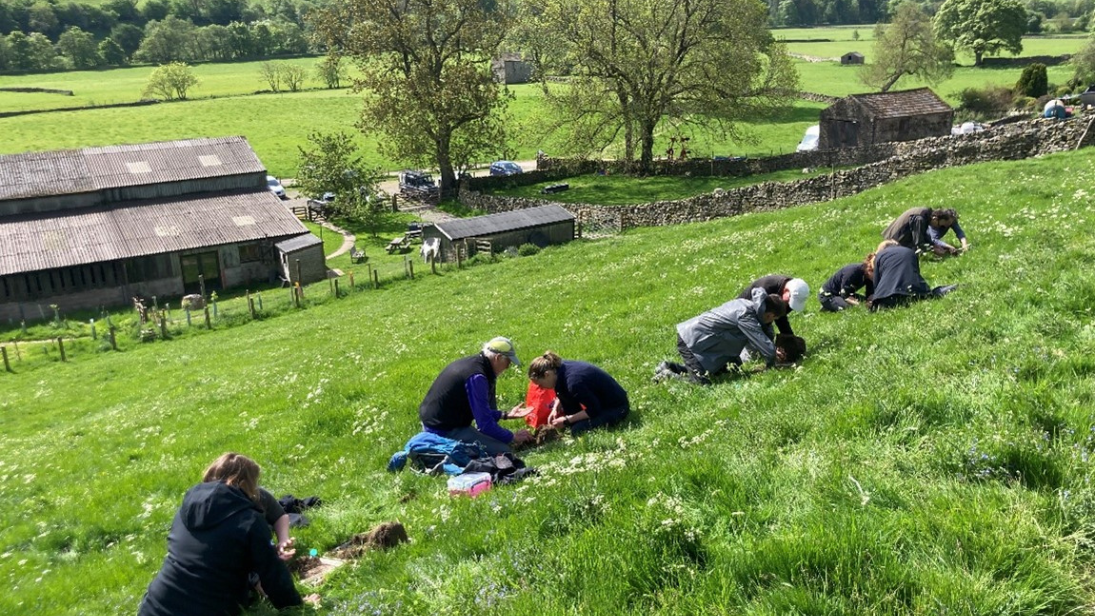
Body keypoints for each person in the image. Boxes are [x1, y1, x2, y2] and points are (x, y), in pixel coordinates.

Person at [138, 453, 317, 616]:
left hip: (154, 606)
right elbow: (273, 575)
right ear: (245, 484)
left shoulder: (184, 512)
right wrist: (296, 606)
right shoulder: (249, 520)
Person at [418, 337, 533, 454]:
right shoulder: (478, 377)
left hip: (437, 422)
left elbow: (479, 412)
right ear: (498, 358)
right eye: (508, 362)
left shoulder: (473, 364)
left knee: (498, 442)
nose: (508, 367)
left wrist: (505, 415)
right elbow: (484, 424)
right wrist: (512, 437)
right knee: (504, 450)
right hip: (444, 430)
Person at [658, 289, 789, 385]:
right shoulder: (746, 314)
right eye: (774, 319)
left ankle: (669, 366)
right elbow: (763, 343)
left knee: (717, 374)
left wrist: (772, 349)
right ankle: (667, 375)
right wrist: (772, 365)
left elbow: (764, 334)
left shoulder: (750, 307)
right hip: (691, 339)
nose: (772, 322)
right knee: (701, 384)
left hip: (701, 340)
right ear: (770, 315)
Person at [527, 351, 630, 436]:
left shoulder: (574, 382)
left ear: (547, 374)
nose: (540, 388)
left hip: (616, 407)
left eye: (539, 384)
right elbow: (562, 389)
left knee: (577, 429)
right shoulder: (559, 369)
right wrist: (555, 408)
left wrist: (567, 420)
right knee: (572, 419)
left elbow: (594, 409)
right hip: (599, 401)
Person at [869, 240, 956, 311]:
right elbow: (915, 273)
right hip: (915, 293)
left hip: (887, 297)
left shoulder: (880, 256)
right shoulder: (910, 251)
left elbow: (877, 282)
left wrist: (874, 298)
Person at [737, 275, 809, 336]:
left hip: (763, 318)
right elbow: (758, 319)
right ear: (786, 290)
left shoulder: (788, 297)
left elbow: (780, 317)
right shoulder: (766, 288)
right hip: (742, 318)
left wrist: (789, 337)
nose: (789, 304)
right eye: (790, 301)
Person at [882, 207, 968, 255]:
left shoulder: (925, 215)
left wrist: (934, 245)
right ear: (935, 218)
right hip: (895, 241)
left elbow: (924, 236)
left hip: (898, 237)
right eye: (941, 225)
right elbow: (919, 242)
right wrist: (934, 249)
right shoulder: (920, 219)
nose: (940, 228)